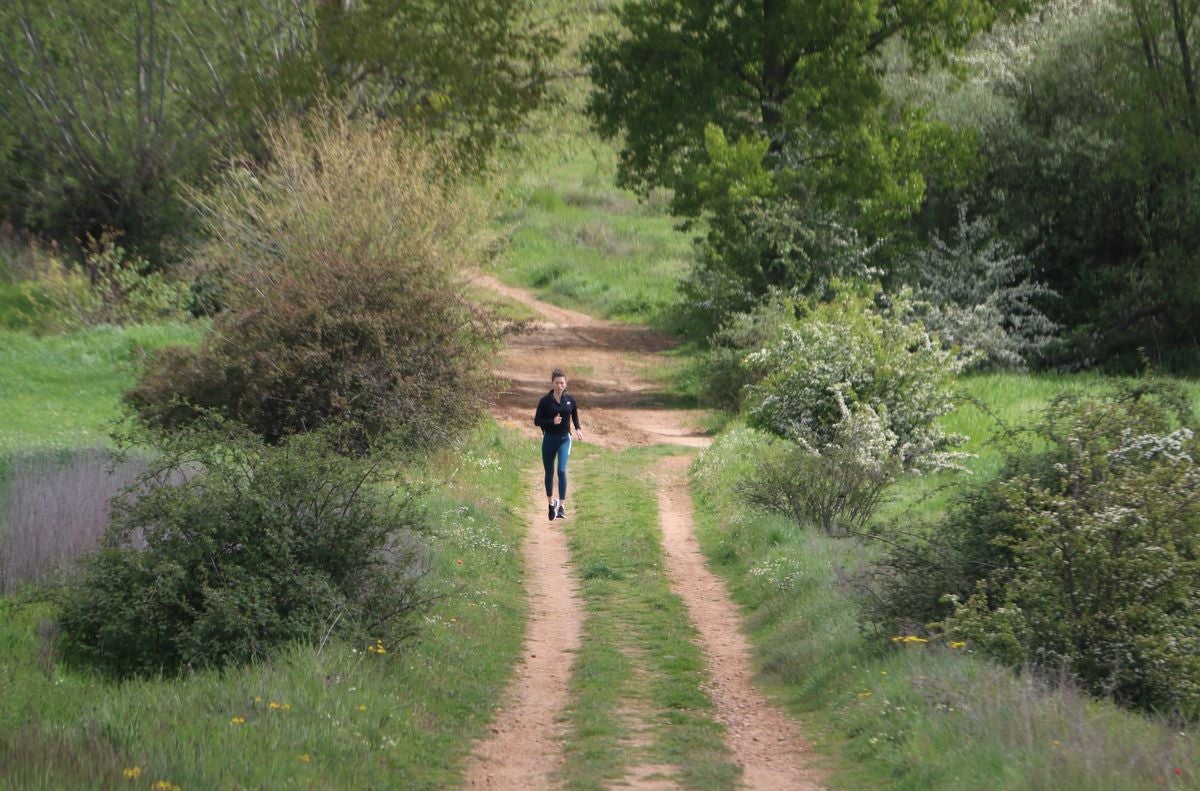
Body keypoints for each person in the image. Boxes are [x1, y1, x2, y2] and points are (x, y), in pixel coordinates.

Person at [533, 367, 582, 521]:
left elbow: (574, 413)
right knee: (549, 472)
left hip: (564, 439)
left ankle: (561, 506)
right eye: (557, 383)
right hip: (548, 439)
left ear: (565, 384)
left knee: (561, 470)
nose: (559, 385)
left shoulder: (570, 400)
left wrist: (578, 429)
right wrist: (551, 422)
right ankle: (550, 504)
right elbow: (537, 421)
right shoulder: (545, 401)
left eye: (562, 383)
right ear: (552, 384)